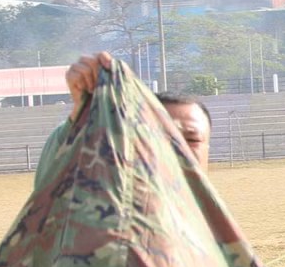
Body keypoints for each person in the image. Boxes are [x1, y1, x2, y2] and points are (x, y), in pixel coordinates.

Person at [48, 51, 213, 178]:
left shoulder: (215, 221)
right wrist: (83, 113)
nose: (178, 148)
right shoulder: (120, 215)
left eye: (191, 140)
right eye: (162, 136)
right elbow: (55, 176)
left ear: (207, 149)